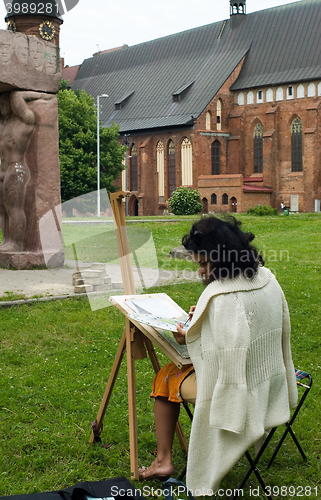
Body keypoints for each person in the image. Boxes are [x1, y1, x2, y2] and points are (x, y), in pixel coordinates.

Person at [139, 215, 298, 495]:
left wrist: (187, 335)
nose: (200, 272)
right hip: (268, 380)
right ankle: (163, 459)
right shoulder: (265, 276)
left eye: (203, 264)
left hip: (238, 394)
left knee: (164, 377)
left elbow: (214, 362)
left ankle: (163, 461)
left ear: (222, 259)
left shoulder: (221, 297)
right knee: (170, 375)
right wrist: (203, 321)